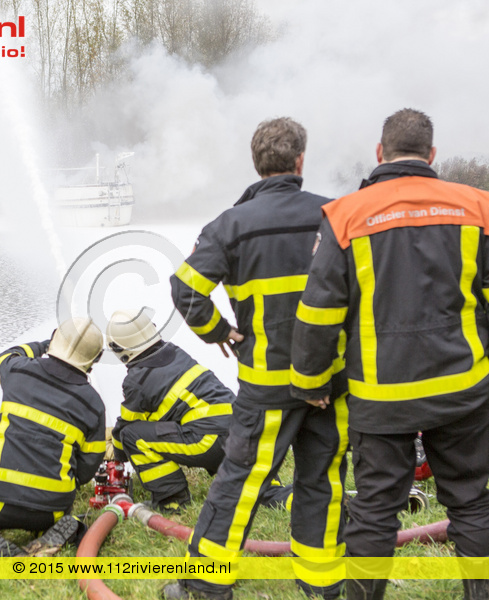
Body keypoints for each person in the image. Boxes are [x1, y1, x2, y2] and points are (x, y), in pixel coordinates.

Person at [290, 108, 489, 600]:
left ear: (380, 153)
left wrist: (311, 381)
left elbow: (318, 311)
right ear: (432, 154)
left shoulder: (346, 215)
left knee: (375, 511)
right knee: (471, 503)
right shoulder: (476, 207)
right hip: (462, 389)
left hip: (381, 397)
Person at [166, 117, 349, 600]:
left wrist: (218, 332)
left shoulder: (230, 224)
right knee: (323, 480)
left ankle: (206, 585)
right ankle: (322, 585)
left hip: (266, 382)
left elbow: (185, 289)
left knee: (241, 481)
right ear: (300, 161)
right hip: (330, 379)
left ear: (256, 164)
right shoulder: (336, 215)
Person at [0, 318, 106, 557]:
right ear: (95, 359)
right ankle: (59, 530)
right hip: (52, 507)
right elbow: (88, 466)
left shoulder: (18, 370)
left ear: (54, 340)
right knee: (69, 518)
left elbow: (5, 356)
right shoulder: (93, 404)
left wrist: (45, 345)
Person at [105, 310, 292, 513]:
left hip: (211, 440)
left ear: (119, 349)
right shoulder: (175, 353)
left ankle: (172, 502)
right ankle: (307, 499)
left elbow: (128, 426)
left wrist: (115, 452)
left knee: (131, 435)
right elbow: (167, 411)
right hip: (246, 432)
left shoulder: (137, 381)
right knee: (267, 495)